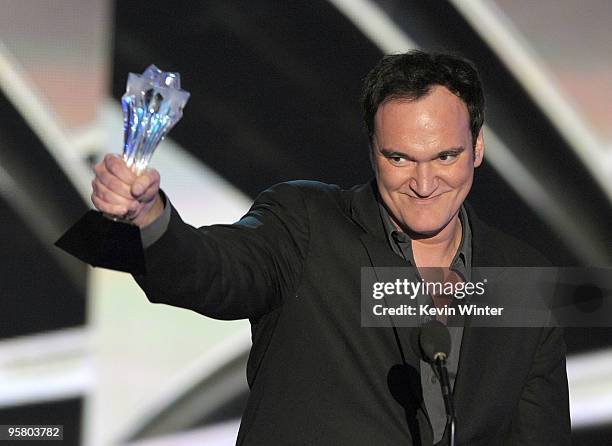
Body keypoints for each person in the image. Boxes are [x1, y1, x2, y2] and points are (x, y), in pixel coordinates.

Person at [91, 50, 571, 445]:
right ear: (371, 151)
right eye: (399, 158)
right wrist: (148, 220)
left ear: (478, 148)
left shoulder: (520, 277)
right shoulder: (306, 223)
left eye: (446, 156)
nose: (425, 184)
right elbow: (213, 271)